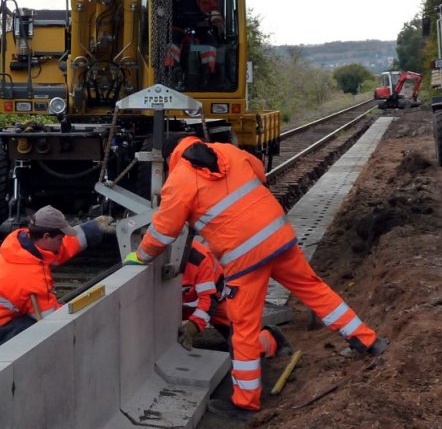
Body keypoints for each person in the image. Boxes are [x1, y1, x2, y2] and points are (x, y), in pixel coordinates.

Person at [126, 135, 388, 421]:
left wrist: (141, 256)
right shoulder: (227, 151)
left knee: (244, 327)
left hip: (244, 257)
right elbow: (259, 172)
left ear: (170, 157)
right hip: (278, 236)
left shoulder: (179, 179)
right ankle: (367, 340)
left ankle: (246, 402)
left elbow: (164, 231)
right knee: (314, 289)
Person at [0, 205, 106, 354]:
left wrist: (93, 228)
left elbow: (63, 247)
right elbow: (50, 318)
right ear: (46, 237)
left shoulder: (25, 246)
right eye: (60, 239)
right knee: (47, 341)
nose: (62, 242)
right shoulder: (30, 275)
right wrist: (86, 322)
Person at [178, 238, 292, 362]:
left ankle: (271, 337)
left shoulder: (200, 259)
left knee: (243, 343)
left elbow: (208, 302)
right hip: (180, 306)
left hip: (214, 304)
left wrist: (193, 326)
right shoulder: (161, 250)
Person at [164, 0, 224, 75]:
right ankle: (172, 71)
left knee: (210, 41)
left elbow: (214, 10)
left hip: (199, 29)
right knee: (171, 41)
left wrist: (216, 23)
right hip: (176, 28)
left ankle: (208, 73)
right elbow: (158, 10)